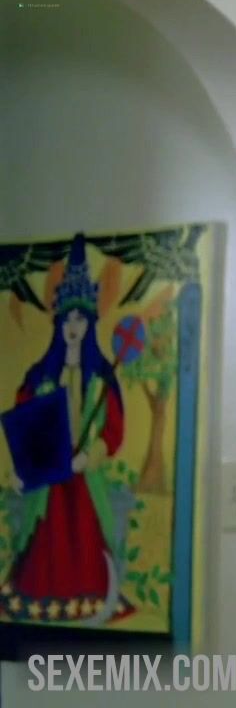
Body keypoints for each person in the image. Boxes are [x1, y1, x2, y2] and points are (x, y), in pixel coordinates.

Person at [0, 234, 133, 625]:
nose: (74, 326)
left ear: (89, 323)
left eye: (81, 318)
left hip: (82, 476)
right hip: (48, 476)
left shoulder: (101, 377)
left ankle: (87, 599)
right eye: (68, 319)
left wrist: (88, 457)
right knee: (45, 542)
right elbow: (25, 429)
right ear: (59, 323)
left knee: (83, 537)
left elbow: (114, 433)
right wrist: (23, 470)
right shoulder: (39, 376)